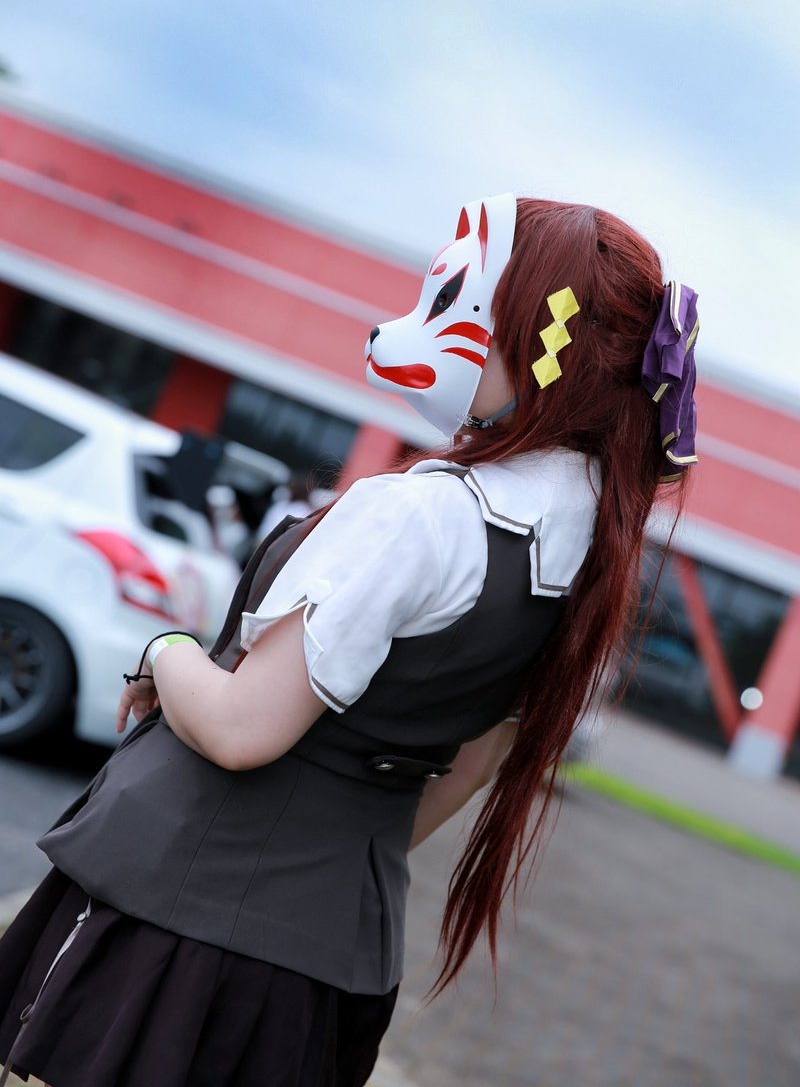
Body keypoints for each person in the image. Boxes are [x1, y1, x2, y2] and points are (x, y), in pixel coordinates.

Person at [0, 195, 699, 1087]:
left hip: (177, 924)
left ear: (532, 341)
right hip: (327, 956)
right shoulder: (587, 551)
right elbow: (471, 765)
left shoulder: (423, 512)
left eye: (450, 301)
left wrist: (165, 652)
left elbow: (241, 729)